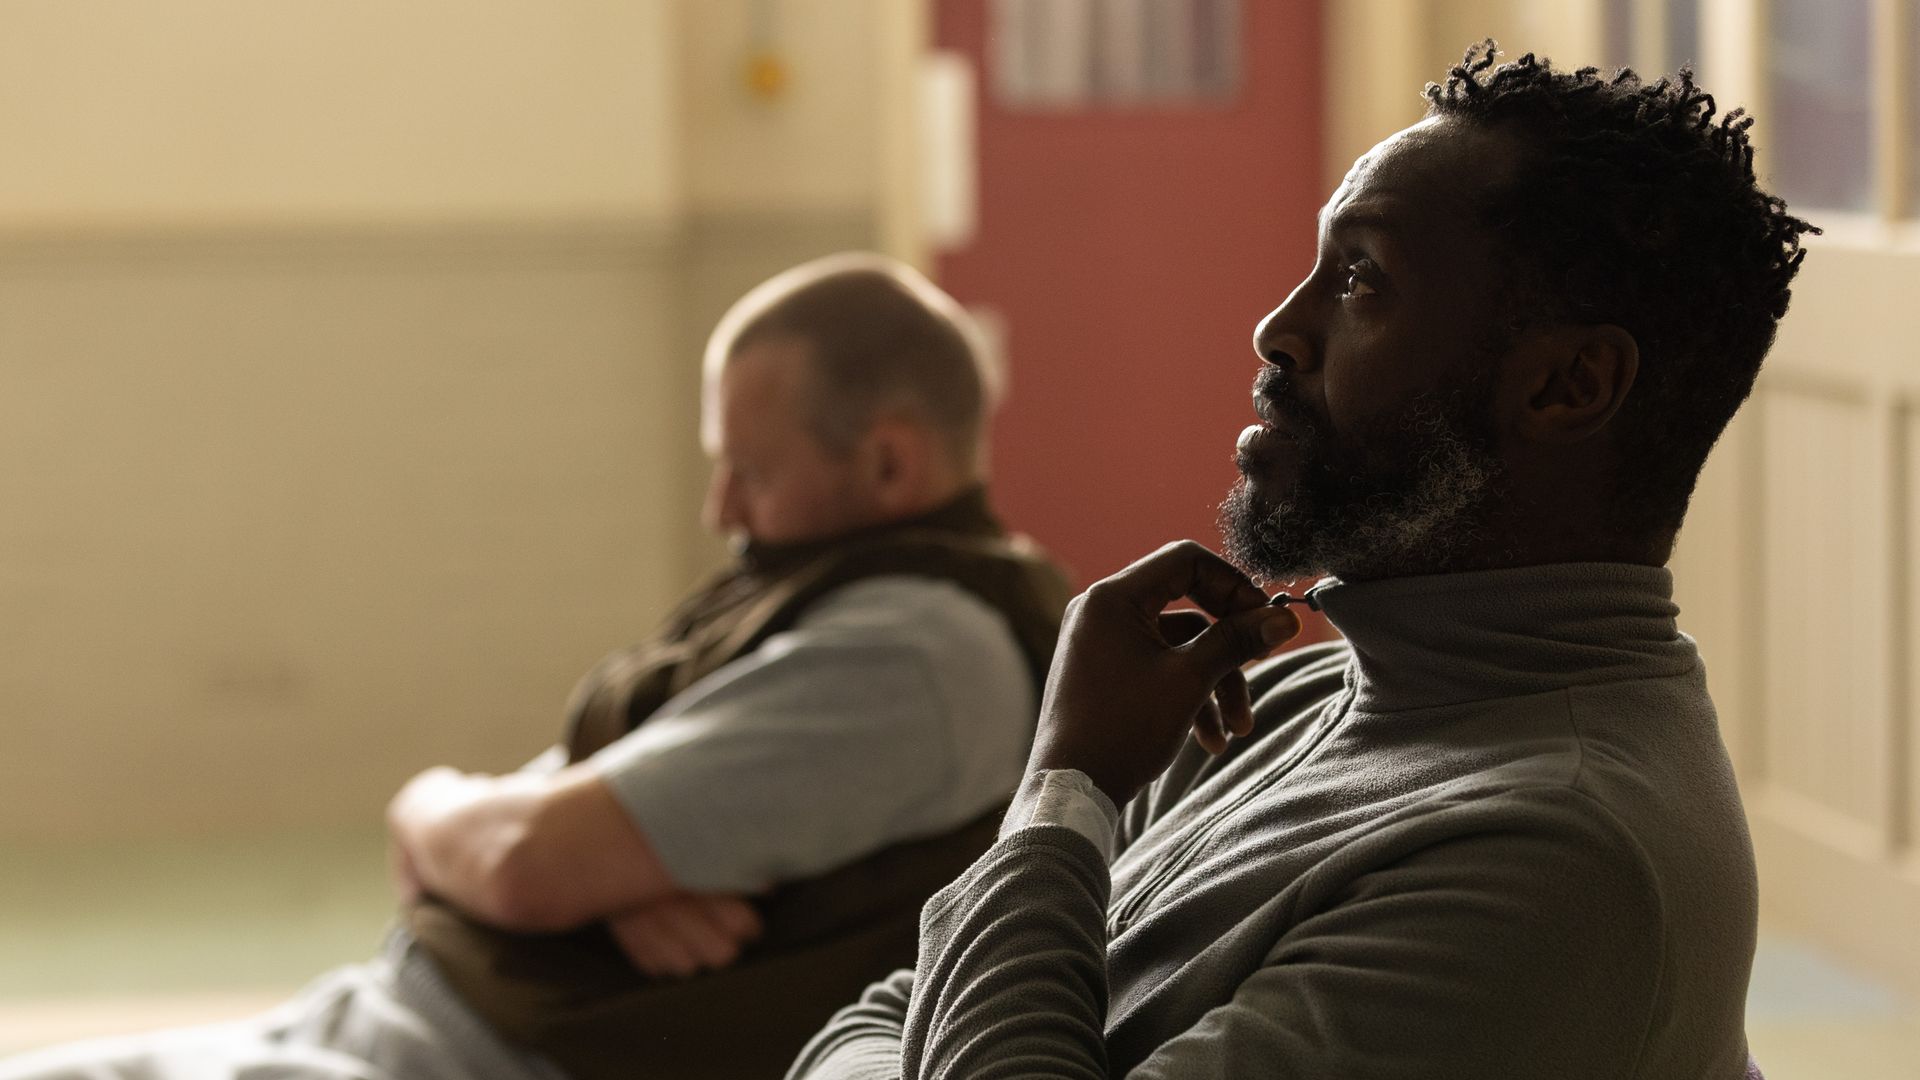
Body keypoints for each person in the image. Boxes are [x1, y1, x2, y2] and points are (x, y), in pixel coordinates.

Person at [789, 45, 1815, 1080]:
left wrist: (1064, 785)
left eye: (1363, 278)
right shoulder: (1284, 700)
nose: (1278, 330)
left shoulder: (1559, 858)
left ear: (1567, 387)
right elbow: (876, 1019)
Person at [1, 254, 1072, 1080]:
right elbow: (541, 840)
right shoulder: (851, 589)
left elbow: (521, 861)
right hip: (405, 1016)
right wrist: (589, 865)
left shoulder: (917, 655)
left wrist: (436, 812)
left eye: (751, 473)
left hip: (469, 1058)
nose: (722, 512)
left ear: (888, 459)